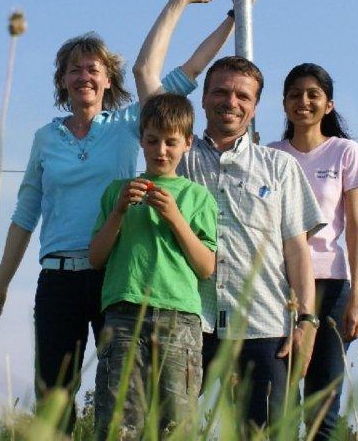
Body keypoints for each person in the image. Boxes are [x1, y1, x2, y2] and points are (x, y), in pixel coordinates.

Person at [0, 0, 255, 431]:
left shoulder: (130, 122)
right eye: (74, 69)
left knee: (122, 400)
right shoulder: (46, 139)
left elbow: (185, 71)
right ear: (61, 81)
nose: (84, 76)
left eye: (93, 69)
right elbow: (26, 213)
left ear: (108, 80)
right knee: (56, 397)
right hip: (60, 277)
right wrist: (2, 280)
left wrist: (226, 15)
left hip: (113, 276)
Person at [136, 44, 327, 430]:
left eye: (243, 95)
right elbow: (145, 74)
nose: (231, 102)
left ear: (255, 107)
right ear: (203, 98)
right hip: (190, 320)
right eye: (221, 92)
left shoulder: (280, 167)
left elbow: (297, 249)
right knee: (167, 430)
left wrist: (307, 319)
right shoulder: (175, 156)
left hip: (263, 324)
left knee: (261, 433)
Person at [88, 93, 217, 439]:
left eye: (171, 142)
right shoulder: (117, 191)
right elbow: (96, 257)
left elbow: (206, 267)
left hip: (179, 318)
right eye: (152, 140)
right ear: (141, 140)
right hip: (123, 315)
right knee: (117, 424)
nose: (161, 150)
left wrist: (175, 217)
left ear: (187, 143)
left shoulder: (197, 197)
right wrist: (117, 212)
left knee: (175, 425)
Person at [267, 63, 358, 441]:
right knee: (277, 399)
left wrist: (357, 295)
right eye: (295, 94)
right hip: (278, 287)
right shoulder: (271, 154)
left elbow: (356, 228)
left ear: (329, 105)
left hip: (330, 284)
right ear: (283, 103)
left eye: (313, 95)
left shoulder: (346, 152)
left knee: (323, 405)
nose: (303, 102)